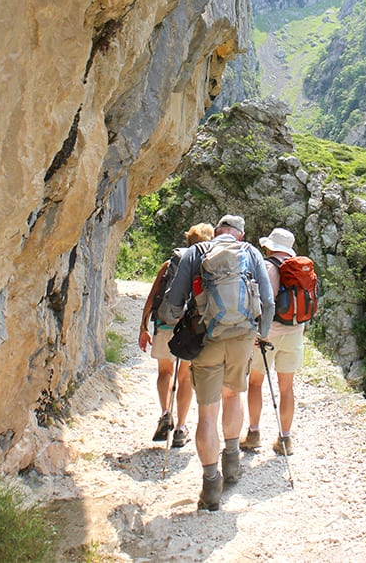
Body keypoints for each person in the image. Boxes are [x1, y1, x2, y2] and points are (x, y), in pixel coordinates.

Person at [158, 214, 274, 511]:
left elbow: (173, 303)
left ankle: (211, 485)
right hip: (242, 338)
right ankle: (232, 463)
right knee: (233, 395)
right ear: (239, 234)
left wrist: (174, 323)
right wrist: (260, 334)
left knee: (207, 413)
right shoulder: (251, 253)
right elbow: (268, 302)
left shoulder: (197, 252)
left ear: (217, 231)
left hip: (206, 337)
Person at [138, 223, 213, 448]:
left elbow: (153, 297)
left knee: (164, 371)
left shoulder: (171, 263)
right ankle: (181, 428)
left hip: (166, 323)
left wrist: (143, 328)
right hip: (191, 327)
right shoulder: (208, 264)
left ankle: (164, 414)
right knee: (185, 376)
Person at [241, 227, 307, 456]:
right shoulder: (300, 269)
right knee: (287, 387)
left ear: (269, 246)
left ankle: (253, 433)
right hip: (295, 332)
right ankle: (285, 438)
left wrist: (260, 332)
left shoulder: (268, 267)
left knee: (256, 382)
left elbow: (264, 303)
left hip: (269, 335)